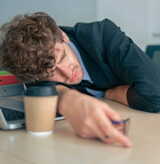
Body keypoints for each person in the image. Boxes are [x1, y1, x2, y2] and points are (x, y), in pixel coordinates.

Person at [0, 12, 159, 147]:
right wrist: (65, 96)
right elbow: (40, 87)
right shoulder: (32, 66)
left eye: (63, 57)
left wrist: (109, 94)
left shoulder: (103, 35)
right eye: (51, 73)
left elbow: (155, 94)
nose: (67, 73)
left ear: (62, 35)